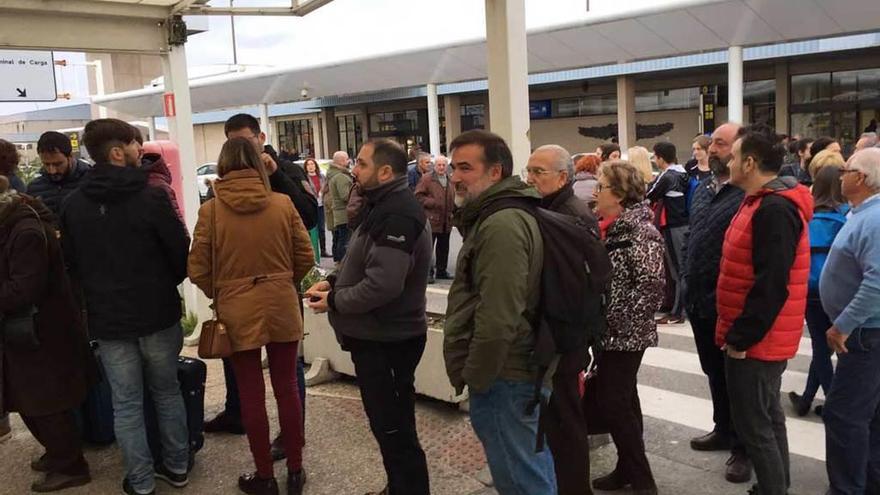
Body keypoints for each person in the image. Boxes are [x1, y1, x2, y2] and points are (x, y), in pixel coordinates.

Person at [59, 119, 190, 495]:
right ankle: (178, 466)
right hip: (158, 312)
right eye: (136, 144)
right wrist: (161, 284)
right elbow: (180, 255)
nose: (140, 150)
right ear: (118, 152)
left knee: (126, 404)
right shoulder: (152, 197)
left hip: (108, 320)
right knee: (167, 392)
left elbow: (71, 264)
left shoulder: (73, 205)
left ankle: (141, 481)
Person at [306, 138, 432, 495]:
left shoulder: (397, 214)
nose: (354, 170)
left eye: (361, 164)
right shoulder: (383, 205)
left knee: (395, 430)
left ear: (386, 171)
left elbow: (383, 285)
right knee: (389, 427)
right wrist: (333, 283)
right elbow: (361, 262)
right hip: (378, 339)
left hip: (388, 341)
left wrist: (335, 302)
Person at [189, 137, 314, 495]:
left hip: (236, 309)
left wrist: (222, 291)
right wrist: (282, 282)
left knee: (251, 394)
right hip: (281, 303)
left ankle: (265, 476)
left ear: (223, 167)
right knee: (288, 388)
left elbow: (197, 267)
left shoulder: (211, 211)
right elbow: (304, 256)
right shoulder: (281, 203)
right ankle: (295, 470)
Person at [443, 130, 557, 495]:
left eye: (465, 168)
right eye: (452, 167)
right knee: (528, 463)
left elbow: (499, 315)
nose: (456, 177)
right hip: (513, 368)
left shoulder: (501, 224)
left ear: (495, 173)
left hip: (505, 372)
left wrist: (476, 375)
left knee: (520, 474)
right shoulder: (498, 215)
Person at [715, 123, 813, 495]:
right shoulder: (760, 201)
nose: (730, 161)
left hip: (758, 339)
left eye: (735, 156)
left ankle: (774, 489)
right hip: (760, 335)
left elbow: (770, 285)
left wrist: (742, 337)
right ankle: (776, 487)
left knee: (755, 425)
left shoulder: (773, 209)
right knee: (768, 419)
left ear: (751, 163)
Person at [1, 173, 95, 493]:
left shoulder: (24, 231)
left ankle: (70, 464)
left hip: (41, 333)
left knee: (44, 402)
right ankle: (59, 456)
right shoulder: (14, 224)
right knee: (31, 401)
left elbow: (23, 290)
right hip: (29, 332)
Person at [525, 144, 598, 495]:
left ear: (563, 177)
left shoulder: (571, 214)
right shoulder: (550, 206)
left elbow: (574, 288)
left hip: (564, 336)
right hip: (557, 334)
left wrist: (561, 338)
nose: (530, 178)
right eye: (529, 170)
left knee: (566, 421)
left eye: (539, 172)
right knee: (556, 419)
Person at [587, 160, 664, 495]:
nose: (595, 192)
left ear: (617, 194)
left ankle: (642, 479)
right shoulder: (619, 227)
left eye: (600, 186)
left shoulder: (640, 231)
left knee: (615, 404)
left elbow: (650, 287)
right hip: (615, 334)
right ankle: (627, 470)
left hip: (625, 335)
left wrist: (614, 324)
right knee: (625, 401)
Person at [683, 122, 751, 483]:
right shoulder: (704, 189)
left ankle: (743, 448)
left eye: (721, 144)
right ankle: (722, 428)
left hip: (728, 301)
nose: (712, 150)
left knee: (736, 378)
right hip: (698, 298)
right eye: (711, 144)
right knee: (713, 371)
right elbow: (693, 236)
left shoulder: (747, 196)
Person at [821, 147, 880, 495]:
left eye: (846, 169)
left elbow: (877, 281)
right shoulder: (863, 213)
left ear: (861, 178)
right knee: (868, 416)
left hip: (864, 334)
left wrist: (843, 323)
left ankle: (847, 489)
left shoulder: (874, 219)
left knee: (844, 416)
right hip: (866, 332)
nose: (840, 175)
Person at [788, 165, 848, 417]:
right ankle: (835, 402)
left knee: (820, 347)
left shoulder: (806, 216)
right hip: (838, 291)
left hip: (810, 289)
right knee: (832, 348)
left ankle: (806, 400)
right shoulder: (846, 217)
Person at [647, 142, 688, 325]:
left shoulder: (668, 176)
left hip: (673, 225)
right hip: (685, 224)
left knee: (677, 269)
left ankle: (678, 312)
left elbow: (650, 194)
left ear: (660, 158)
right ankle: (677, 308)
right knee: (679, 267)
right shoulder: (683, 173)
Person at [26, 131, 91, 219]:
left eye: (58, 164)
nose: (52, 171)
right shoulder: (34, 188)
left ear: (70, 156)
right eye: (46, 164)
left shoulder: (91, 181)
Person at [414, 154, 454, 283]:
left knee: (444, 247)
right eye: (439, 165)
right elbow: (418, 196)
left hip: (446, 220)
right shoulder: (427, 179)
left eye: (443, 165)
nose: (441, 167)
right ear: (434, 166)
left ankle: (441, 271)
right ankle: (428, 273)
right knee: (428, 248)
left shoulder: (450, 179)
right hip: (432, 219)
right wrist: (432, 202)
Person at [327, 151, 354, 263]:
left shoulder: (333, 174)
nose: (349, 161)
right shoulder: (341, 177)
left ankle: (338, 260)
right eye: (347, 159)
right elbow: (345, 196)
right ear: (342, 161)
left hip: (338, 213)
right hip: (343, 213)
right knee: (344, 240)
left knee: (338, 238)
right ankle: (342, 262)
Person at [303, 158, 329, 258]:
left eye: (312, 164)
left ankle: (323, 250)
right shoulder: (305, 178)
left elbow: (326, 187)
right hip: (311, 206)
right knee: (312, 229)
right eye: (308, 164)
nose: (310, 166)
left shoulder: (321, 176)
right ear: (306, 167)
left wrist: (322, 192)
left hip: (321, 205)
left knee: (322, 229)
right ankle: (312, 251)